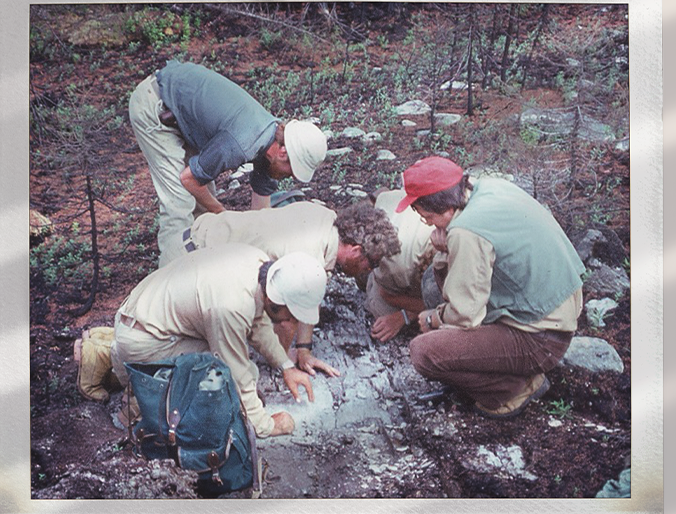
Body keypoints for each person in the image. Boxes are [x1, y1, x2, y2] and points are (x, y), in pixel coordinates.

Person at [400, 156, 584, 419]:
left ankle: (513, 389)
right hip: (556, 306)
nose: (427, 223)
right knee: (433, 281)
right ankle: (507, 366)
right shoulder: (488, 188)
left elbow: (464, 317)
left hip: (541, 338)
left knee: (424, 352)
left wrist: (433, 318)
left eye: (425, 215)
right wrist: (444, 249)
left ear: (443, 207)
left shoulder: (466, 231)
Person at [110, 247, 327, 438]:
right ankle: (140, 403)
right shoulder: (231, 306)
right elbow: (236, 369)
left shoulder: (259, 265)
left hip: (145, 316)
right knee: (233, 374)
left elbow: (257, 322)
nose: (291, 322)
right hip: (145, 339)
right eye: (291, 315)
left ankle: (138, 377)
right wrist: (265, 425)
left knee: (237, 370)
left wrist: (286, 366)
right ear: (274, 300)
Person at [129, 60, 328, 266]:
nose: (289, 177)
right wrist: (224, 214)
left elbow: (261, 215)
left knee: (204, 206)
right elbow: (189, 180)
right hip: (156, 102)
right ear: (283, 152)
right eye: (291, 171)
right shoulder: (242, 142)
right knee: (180, 204)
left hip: (183, 112)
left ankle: (200, 270)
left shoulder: (272, 142)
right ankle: (169, 281)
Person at [179, 199, 400, 373]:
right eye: (370, 263)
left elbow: (309, 296)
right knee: (210, 360)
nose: (369, 270)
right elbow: (285, 320)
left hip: (201, 233)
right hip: (193, 264)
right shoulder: (309, 254)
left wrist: (303, 350)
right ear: (356, 251)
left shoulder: (326, 221)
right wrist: (284, 363)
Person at [364, 189, 440, 342]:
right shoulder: (399, 265)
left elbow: (459, 309)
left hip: (397, 202)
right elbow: (387, 294)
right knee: (380, 309)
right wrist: (407, 314)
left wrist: (405, 315)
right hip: (399, 259)